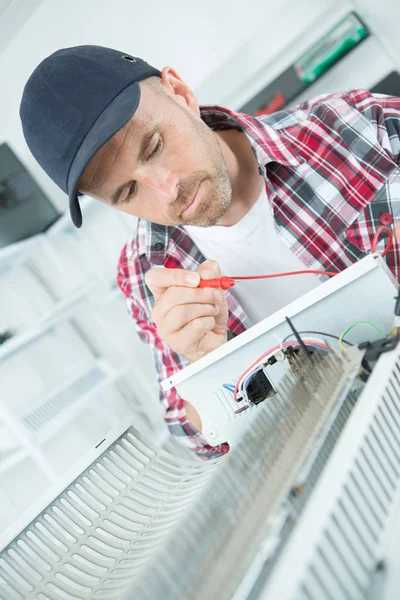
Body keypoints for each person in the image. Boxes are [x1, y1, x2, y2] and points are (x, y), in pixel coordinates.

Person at [20, 45, 400, 459]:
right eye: (128, 191)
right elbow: (198, 439)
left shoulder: (355, 125)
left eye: (153, 146)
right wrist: (203, 363)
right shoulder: (147, 270)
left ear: (181, 93)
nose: (168, 191)